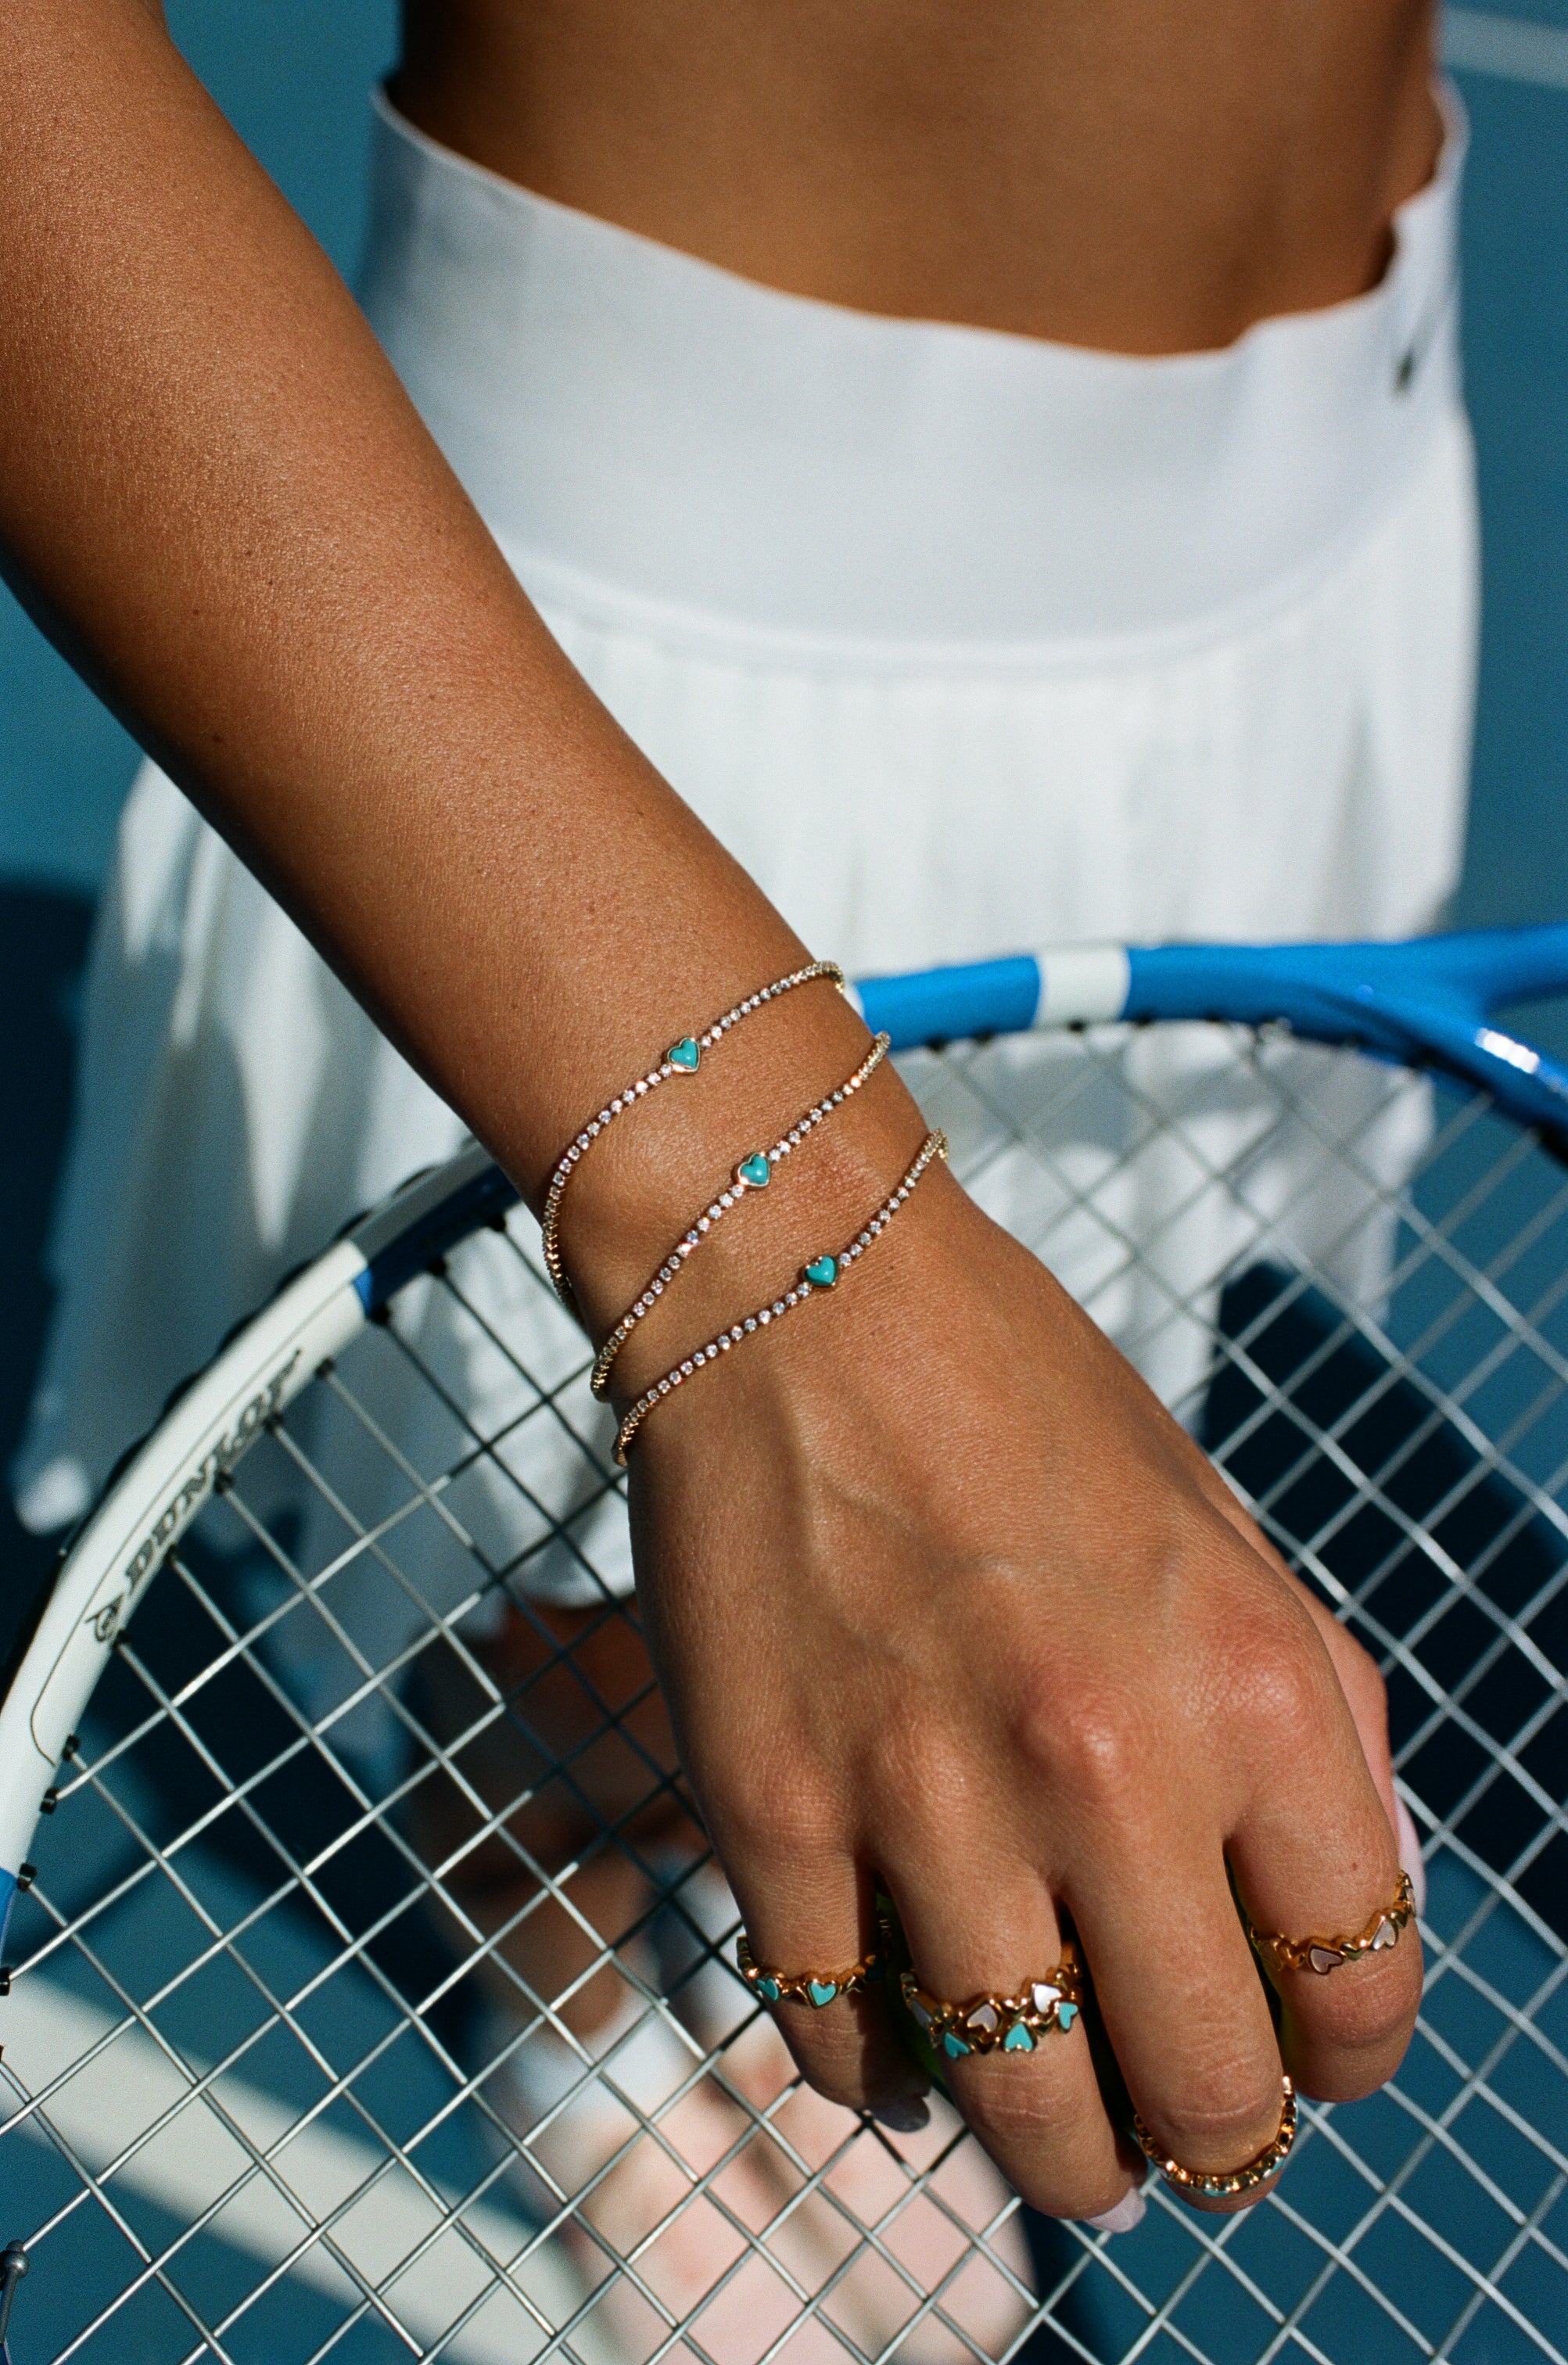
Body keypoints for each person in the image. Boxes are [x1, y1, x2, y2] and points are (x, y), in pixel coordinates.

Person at [3, 0, 1456, 2335]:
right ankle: (566, 1979)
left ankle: (709, 1884)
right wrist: (774, 1224)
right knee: (591, 1624)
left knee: (1019, 1554)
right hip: (653, 641)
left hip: (1324, 553)